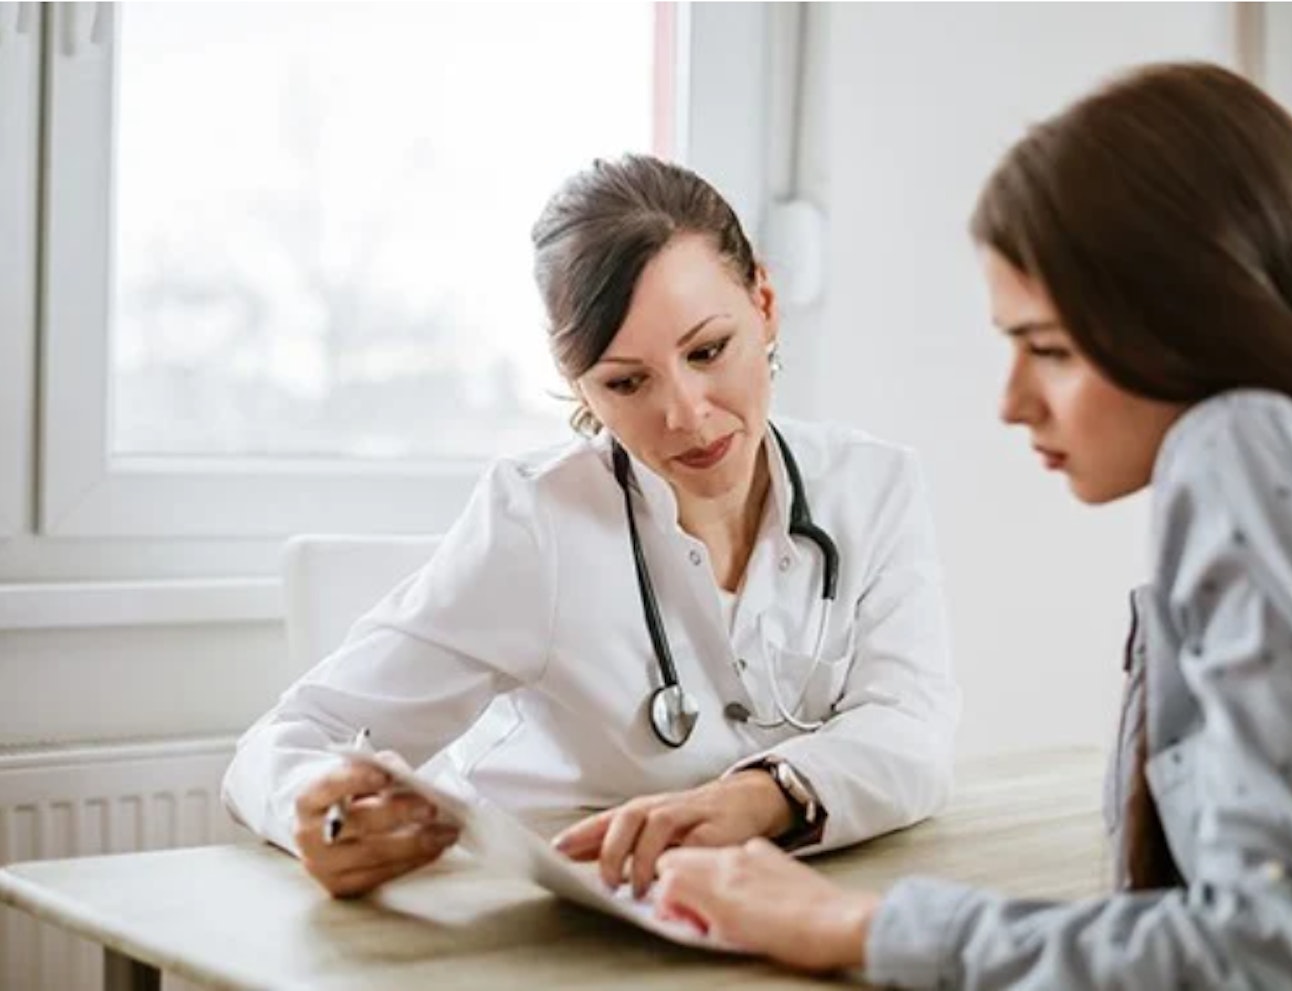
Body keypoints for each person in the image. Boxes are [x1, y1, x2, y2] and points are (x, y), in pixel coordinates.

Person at [649, 63, 1292, 989]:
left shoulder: (1247, 444)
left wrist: (863, 926)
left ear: (1203, 318)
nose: (1013, 403)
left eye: (1050, 350)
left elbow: (1276, 955)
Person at [221, 154, 959, 900]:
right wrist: (312, 810)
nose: (686, 414)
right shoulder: (535, 521)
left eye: (708, 350)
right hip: (543, 927)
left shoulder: (874, 486)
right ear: (580, 385)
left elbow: (913, 729)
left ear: (764, 303)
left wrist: (762, 796)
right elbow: (286, 739)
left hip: (762, 919)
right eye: (625, 381)